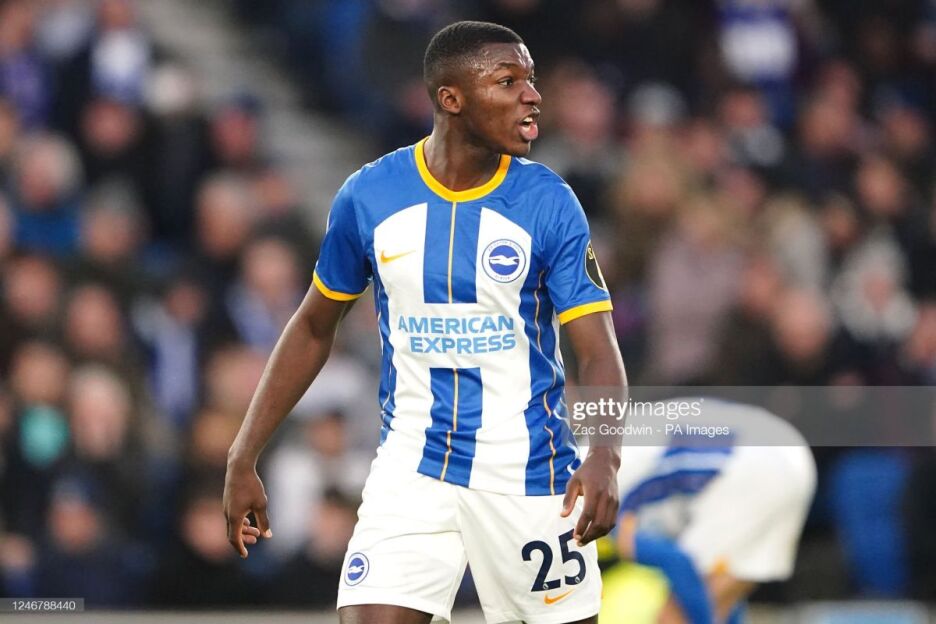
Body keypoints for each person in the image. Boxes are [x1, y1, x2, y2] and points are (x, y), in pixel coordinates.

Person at [223, 20, 627, 624]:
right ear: (451, 98)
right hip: (413, 467)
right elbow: (311, 328)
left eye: (531, 80)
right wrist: (244, 453)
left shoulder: (549, 202)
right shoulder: (369, 197)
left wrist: (604, 456)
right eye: (508, 81)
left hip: (529, 473)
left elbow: (596, 350)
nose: (532, 96)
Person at [607, 400, 816, 624]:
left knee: (676, 615)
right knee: (719, 601)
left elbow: (679, 563)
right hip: (785, 452)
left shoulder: (588, 494)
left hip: (751, 469)